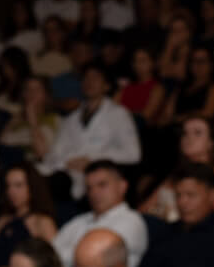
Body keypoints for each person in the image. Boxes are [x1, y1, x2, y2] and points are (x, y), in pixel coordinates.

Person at [41, 62, 142, 199]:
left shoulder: (118, 114)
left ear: (106, 86)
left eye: (95, 78)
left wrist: (91, 159)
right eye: (86, 78)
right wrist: (67, 162)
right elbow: (55, 152)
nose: (89, 82)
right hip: (64, 172)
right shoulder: (71, 118)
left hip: (95, 177)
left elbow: (133, 154)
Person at [51, 162, 149, 267]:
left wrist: (63, 255)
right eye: (89, 187)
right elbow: (50, 253)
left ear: (122, 186)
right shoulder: (79, 220)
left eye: (102, 185)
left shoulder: (131, 221)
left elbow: (92, 260)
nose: (94, 192)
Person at [0, 164, 59, 267]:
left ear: (32, 187)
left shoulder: (42, 221)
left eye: (18, 185)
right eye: (8, 186)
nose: (11, 191)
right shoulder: (3, 219)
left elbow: (54, 261)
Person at [170, 45, 214, 121]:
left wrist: (181, 118)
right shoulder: (181, 86)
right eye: (194, 61)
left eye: (202, 61)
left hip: (201, 126)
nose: (198, 65)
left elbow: (208, 114)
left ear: (212, 64)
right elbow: (168, 113)